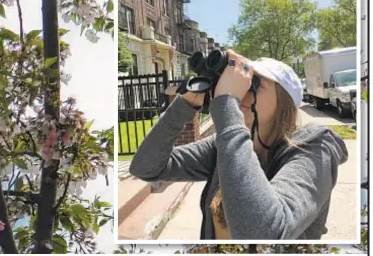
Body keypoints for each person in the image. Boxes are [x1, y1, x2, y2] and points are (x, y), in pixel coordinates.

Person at [129, 50, 349, 240]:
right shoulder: (222, 145)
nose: (242, 91)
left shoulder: (315, 147)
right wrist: (184, 105)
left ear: (284, 100)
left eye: (253, 84)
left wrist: (226, 105)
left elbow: (263, 235)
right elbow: (146, 168)